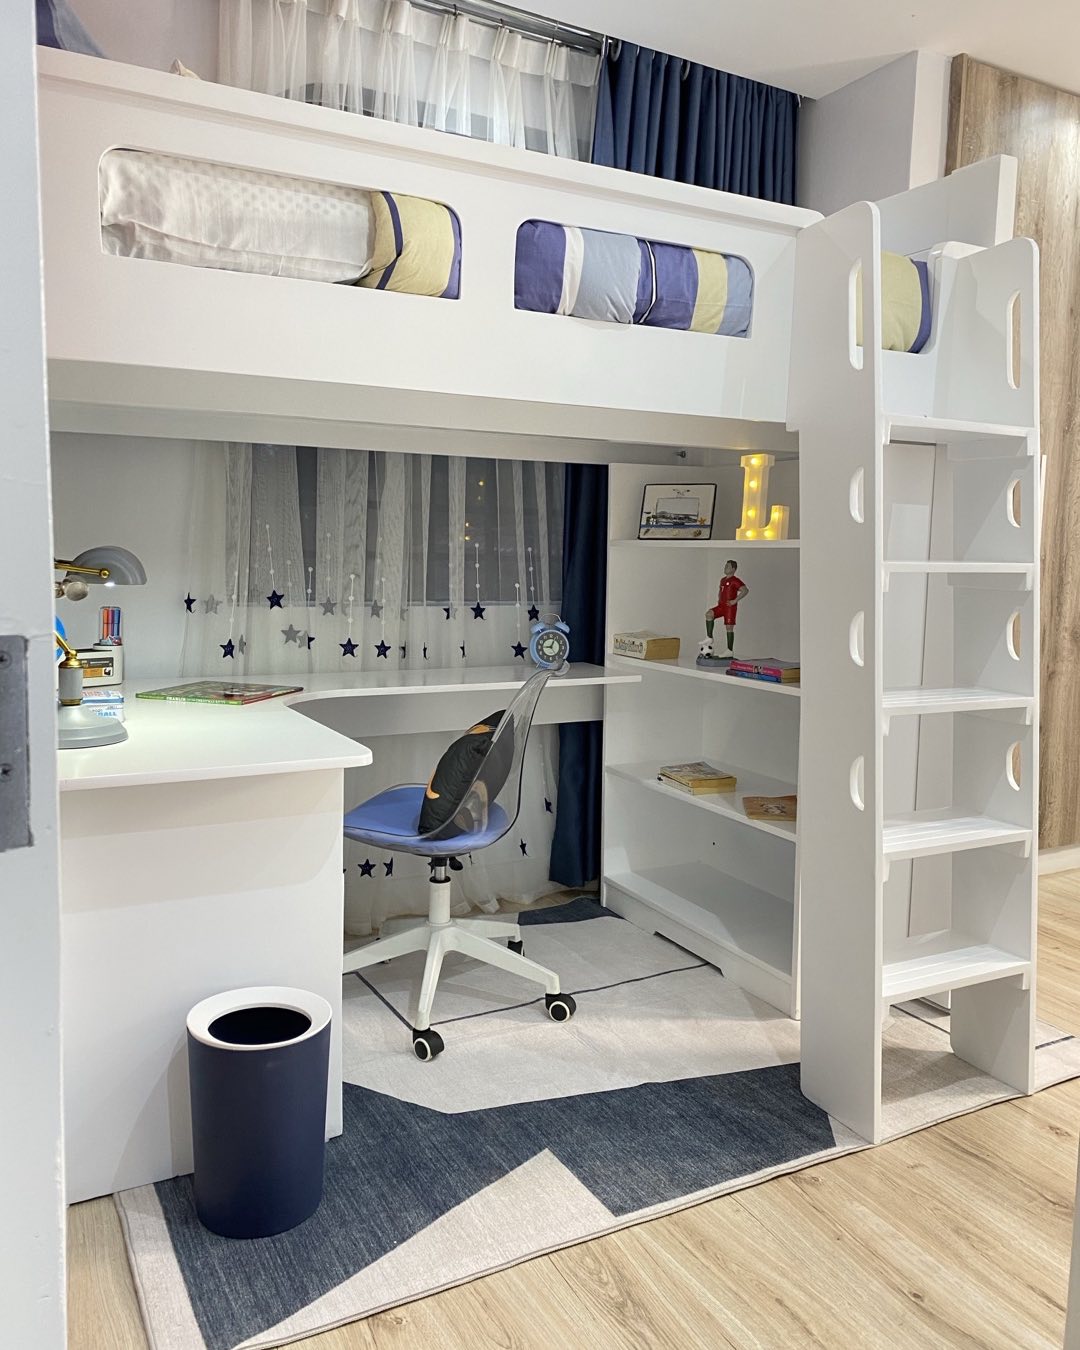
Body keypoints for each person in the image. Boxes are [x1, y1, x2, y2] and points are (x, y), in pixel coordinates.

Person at [705, 559, 748, 657]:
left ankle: (729, 650)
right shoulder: (723, 580)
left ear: (733, 569)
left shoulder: (735, 580)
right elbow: (721, 591)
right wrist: (719, 599)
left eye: (728, 566)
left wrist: (735, 601)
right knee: (709, 614)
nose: (725, 568)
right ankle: (709, 638)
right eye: (725, 566)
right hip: (721, 606)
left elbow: (745, 590)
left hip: (729, 607)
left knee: (729, 627)